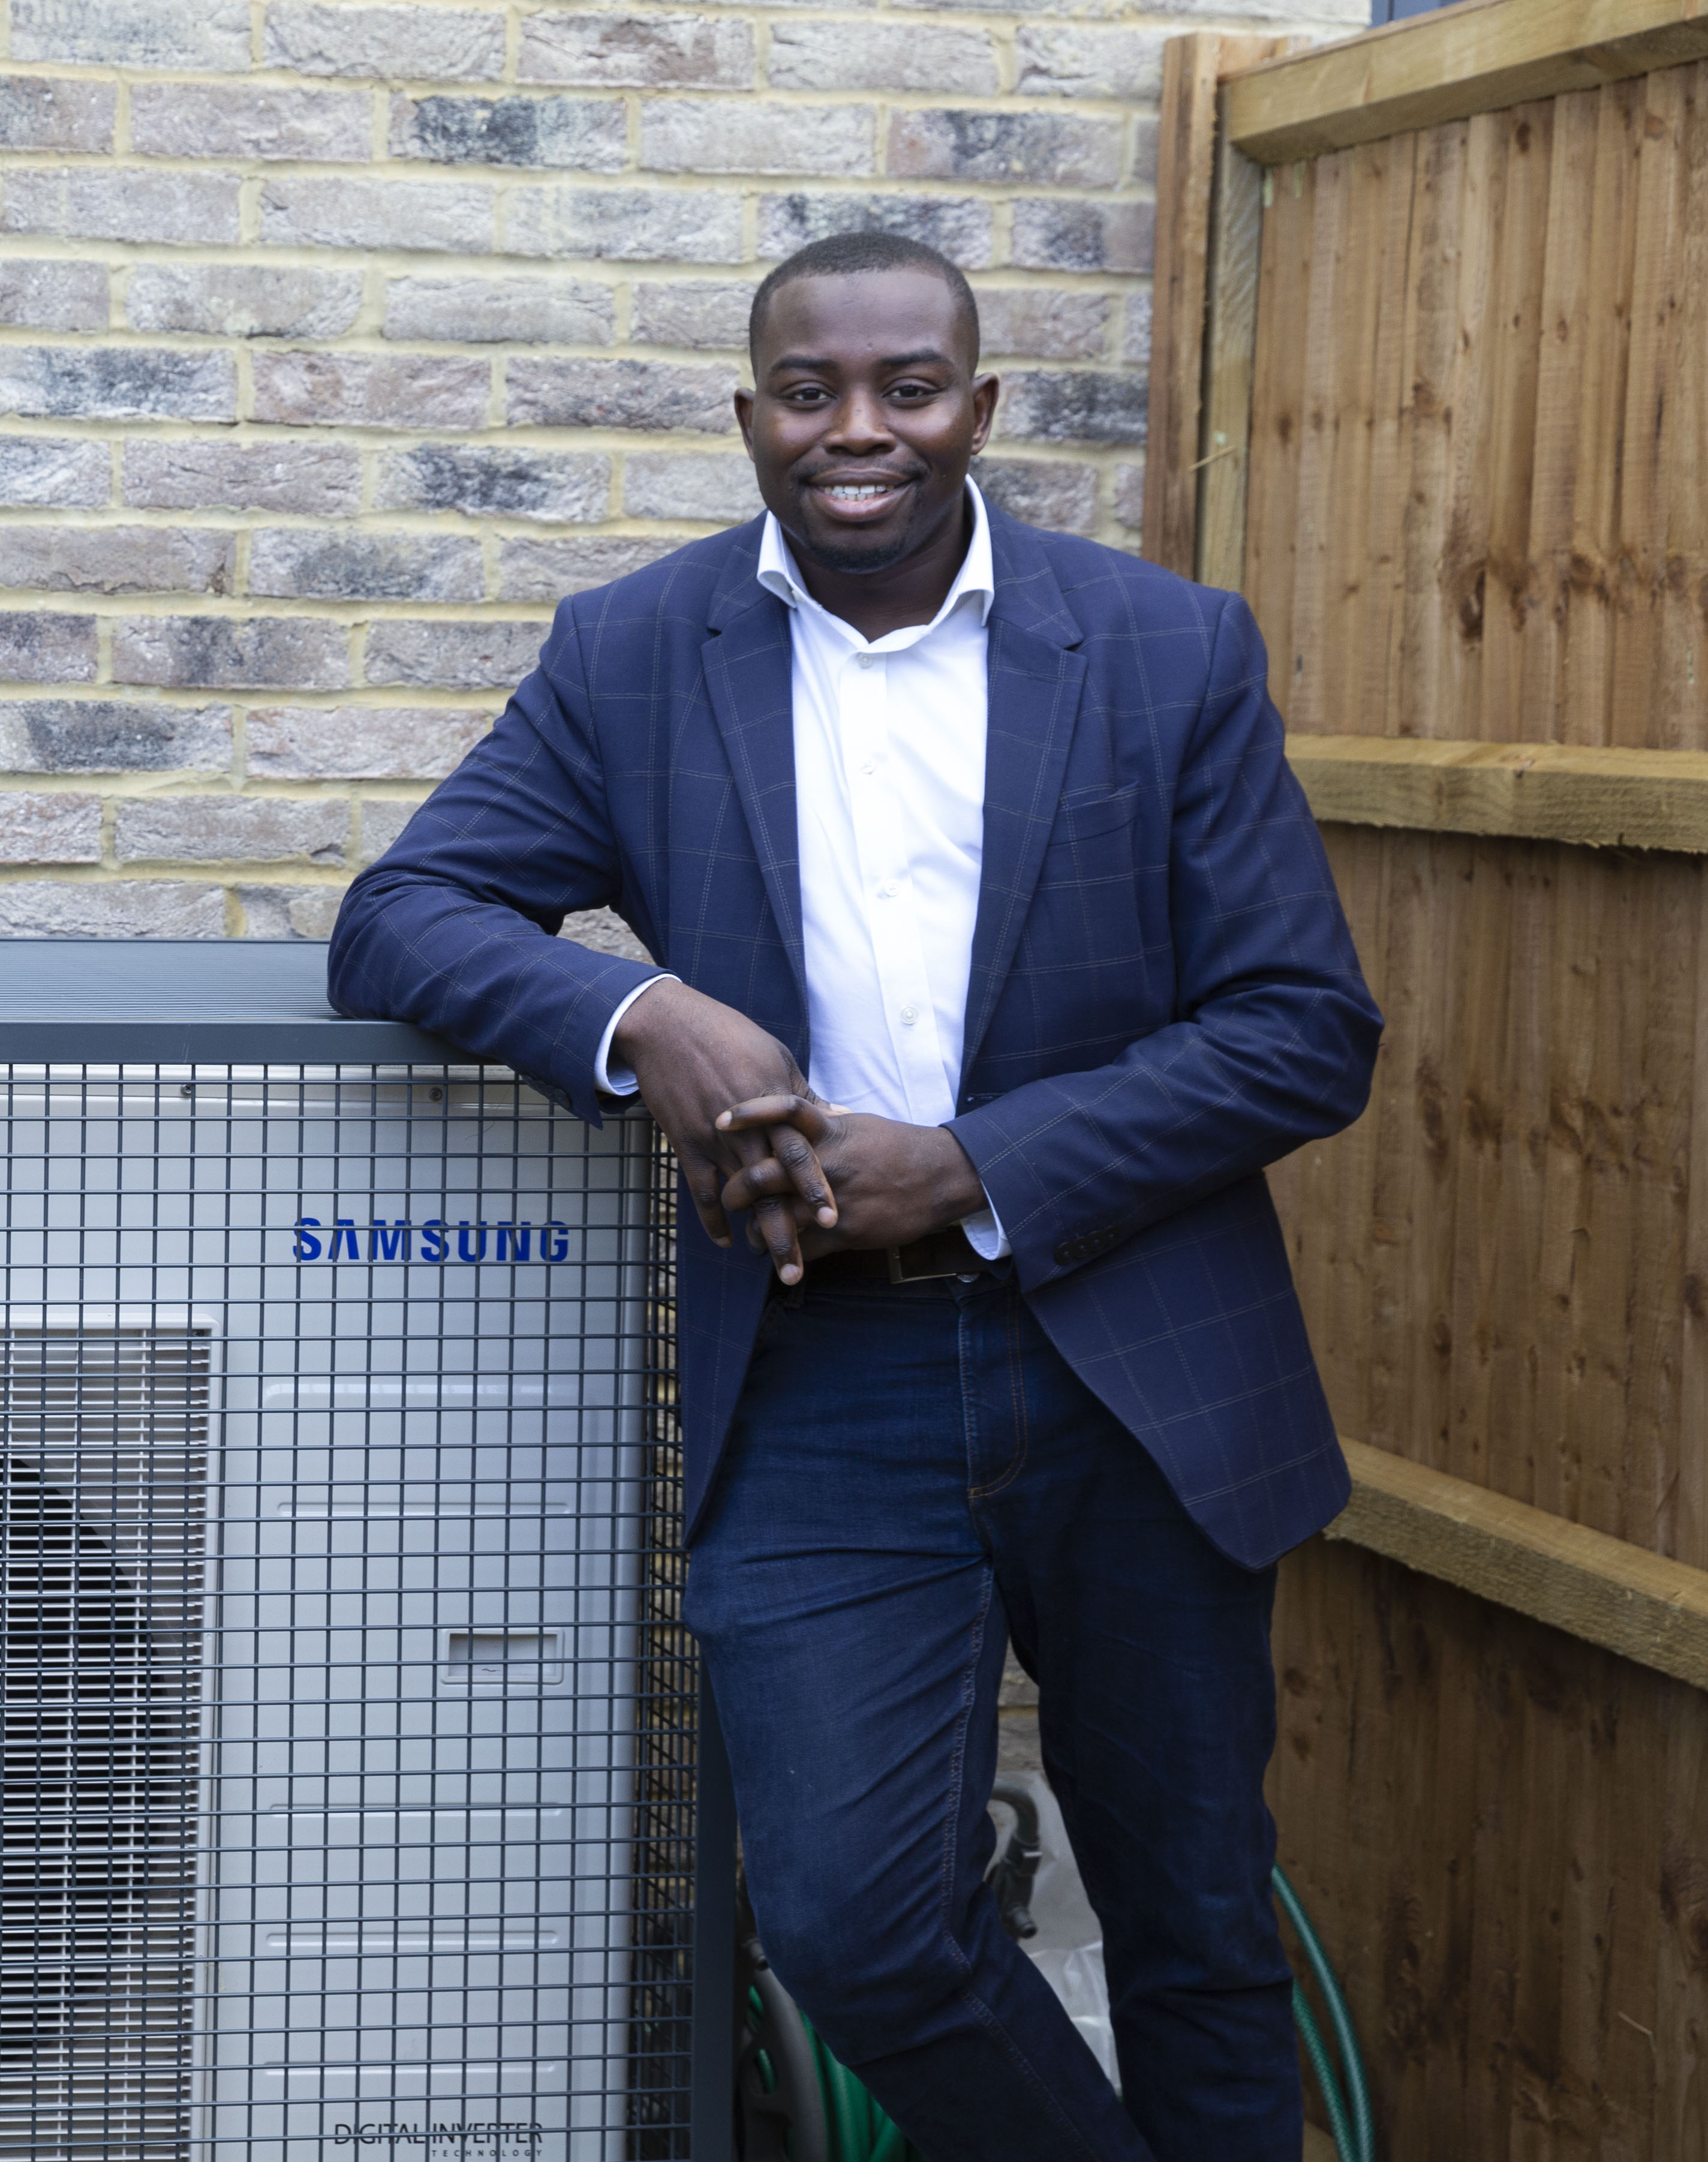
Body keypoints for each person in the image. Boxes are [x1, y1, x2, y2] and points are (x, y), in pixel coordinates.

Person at [327, 233, 1379, 2161]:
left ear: (979, 407)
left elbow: (1305, 1032)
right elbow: (401, 915)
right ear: (751, 419)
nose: (859, 430)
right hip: (818, 1379)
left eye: (907, 386)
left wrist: (973, 1166)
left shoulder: (1166, 648)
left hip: (1141, 1361)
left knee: (1200, 1925)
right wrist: (648, 1018)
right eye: (811, 393)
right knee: (855, 1924)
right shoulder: (634, 651)